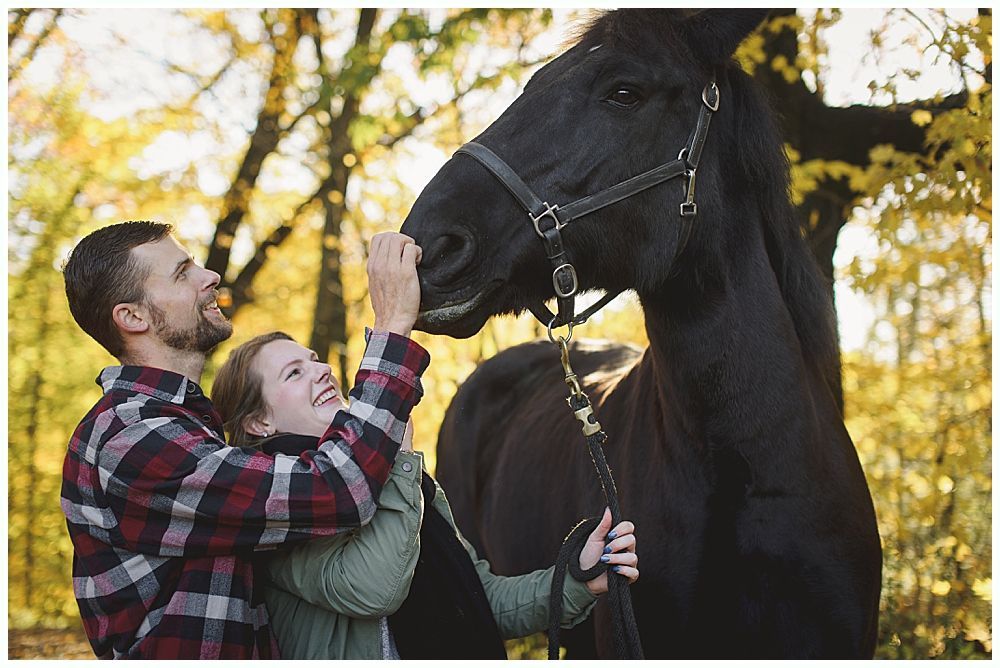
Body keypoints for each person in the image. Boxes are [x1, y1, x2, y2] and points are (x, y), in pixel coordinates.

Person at [60, 220, 428, 659]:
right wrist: (391, 326)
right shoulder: (129, 435)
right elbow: (336, 489)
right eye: (182, 273)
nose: (209, 276)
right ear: (133, 317)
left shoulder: (187, 429)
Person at [211, 331, 640, 659]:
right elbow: (375, 589)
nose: (321, 369)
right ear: (258, 423)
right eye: (294, 373)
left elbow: (478, 599)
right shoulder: (273, 506)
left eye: (314, 360)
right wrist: (399, 464)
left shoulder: (405, 483)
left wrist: (578, 580)